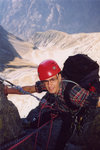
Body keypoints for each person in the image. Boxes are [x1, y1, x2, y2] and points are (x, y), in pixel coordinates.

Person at [4, 59, 100, 150]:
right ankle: (30, 125)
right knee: (41, 119)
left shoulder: (73, 93)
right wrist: (8, 90)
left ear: (59, 76)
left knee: (60, 141)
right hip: (59, 108)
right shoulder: (49, 82)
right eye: (46, 81)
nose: (49, 85)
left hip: (69, 115)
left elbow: (96, 101)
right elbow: (30, 89)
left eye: (52, 80)